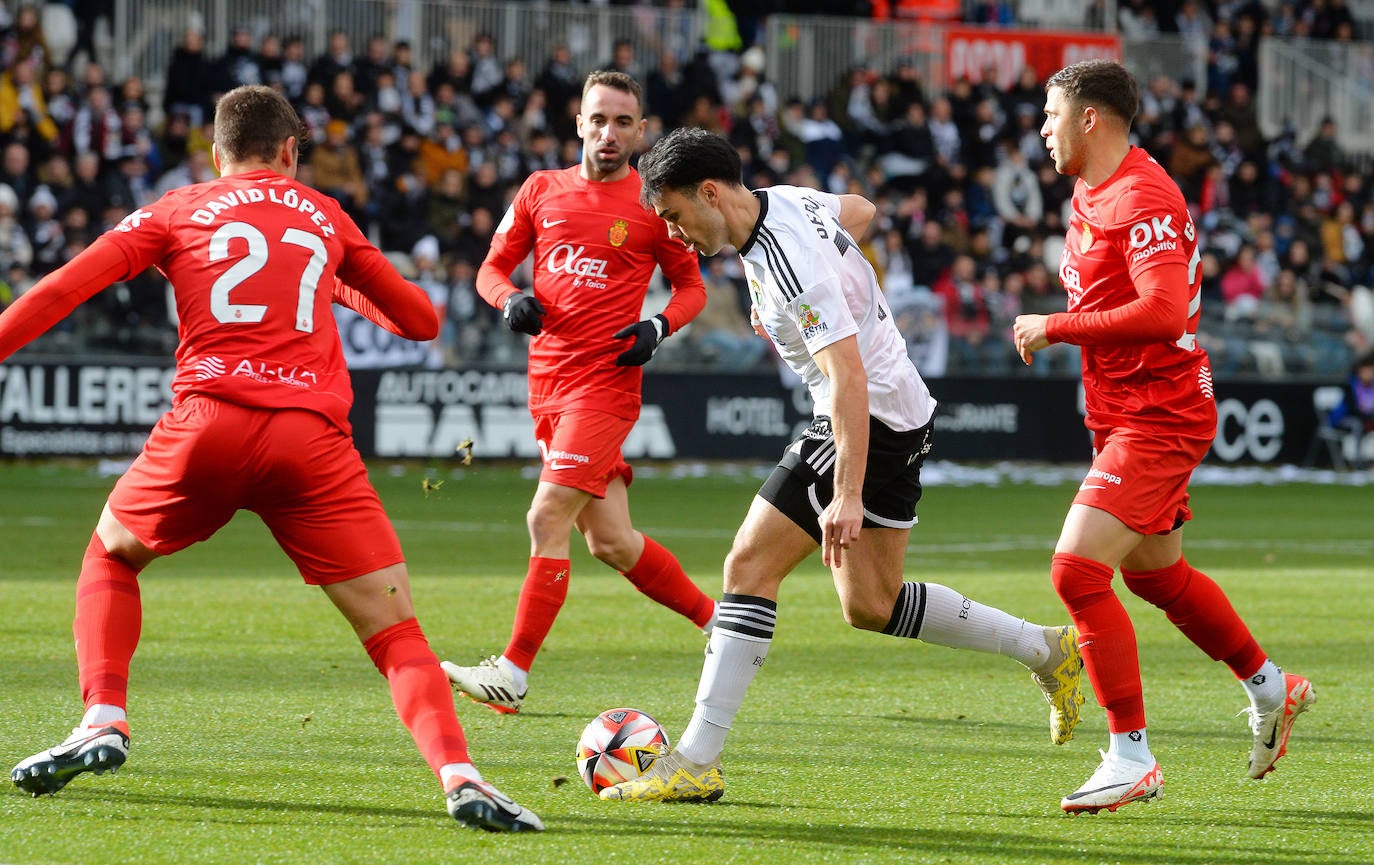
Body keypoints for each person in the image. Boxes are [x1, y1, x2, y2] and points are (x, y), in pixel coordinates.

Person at [1, 85, 541, 833]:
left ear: (215, 154)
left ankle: (103, 716)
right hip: (310, 441)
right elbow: (420, 319)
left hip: (207, 425)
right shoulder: (323, 213)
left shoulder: (174, 209)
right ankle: (460, 773)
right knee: (395, 632)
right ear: (291, 152)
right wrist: (330, 278)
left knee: (112, 555)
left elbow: (64, 288)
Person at [598, 126, 1085, 804]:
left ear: (709, 192)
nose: (675, 237)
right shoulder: (784, 203)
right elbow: (860, 208)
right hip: (905, 409)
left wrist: (847, 492)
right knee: (871, 603)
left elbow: (847, 378)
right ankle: (1046, 647)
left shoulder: (786, 256)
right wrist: (847, 268)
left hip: (866, 415)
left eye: (676, 216)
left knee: (748, 566)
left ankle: (695, 759)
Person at [1012, 59, 1316, 815]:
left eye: (1052, 115)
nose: (1042, 129)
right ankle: (1272, 685)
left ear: (1092, 118)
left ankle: (1130, 755)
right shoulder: (1091, 188)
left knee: (1077, 573)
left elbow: (1161, 309)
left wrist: (1054, 325)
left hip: (1161, 408)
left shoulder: (1143, 194)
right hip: (1117, 407)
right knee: (1153, 575)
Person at [441, 71, 716, 714]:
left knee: (545, 516)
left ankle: (512, 670)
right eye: (599, 119)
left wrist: (658, 326)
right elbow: (489, 269)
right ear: (578, 123)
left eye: (624, 122)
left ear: (642, 132)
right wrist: (509, 299)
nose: (610, 133)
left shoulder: (653, 205)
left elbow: (692, 288)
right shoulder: (541, 190)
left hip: (605, 387)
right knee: (612, 542)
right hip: (548, 390)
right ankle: (721, 625)